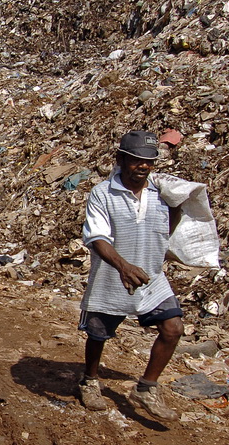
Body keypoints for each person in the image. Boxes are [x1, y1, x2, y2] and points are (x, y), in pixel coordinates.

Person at [75, 130, 185, 421]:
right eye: (136, 160)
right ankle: (89, 380)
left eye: (149, 161)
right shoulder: (102, 193)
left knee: (173, 328)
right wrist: (123, 266)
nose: (143, 166)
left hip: (151, 277)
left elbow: (172, 224)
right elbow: (96, 237)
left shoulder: (160, 194)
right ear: (121, 159)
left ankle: (146, 388)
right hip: (112, 277)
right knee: (98, 334)